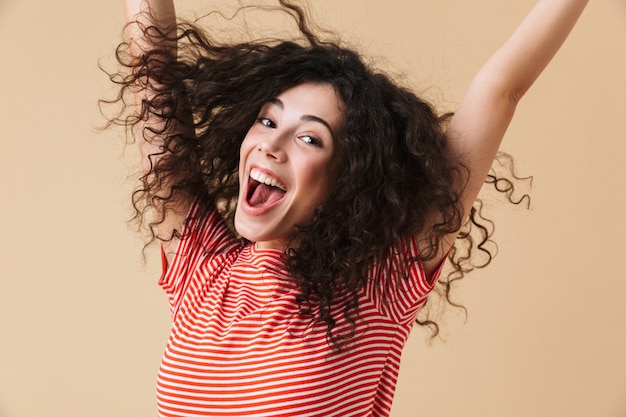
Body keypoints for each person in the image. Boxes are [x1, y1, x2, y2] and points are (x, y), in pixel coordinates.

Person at [104, 0, 588, 415]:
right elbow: (154, 74)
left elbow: (502, 89)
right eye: (269, 120)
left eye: (310, 137)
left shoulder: (379, 283)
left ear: (349, 181)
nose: (272, 145)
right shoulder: (201, 271)